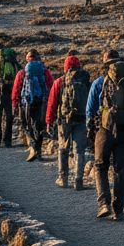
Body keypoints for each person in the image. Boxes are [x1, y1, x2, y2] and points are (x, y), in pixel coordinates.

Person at [86, 50, 124, 221]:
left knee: (100, 166)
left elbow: (90, 110)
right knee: (120, 169)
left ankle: (103, 204)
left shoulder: (99, 83)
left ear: (106, 64)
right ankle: (118, 209)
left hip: (104, 130)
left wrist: (90, 130)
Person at [46, 55, 91, 189]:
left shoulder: (60, 81)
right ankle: (78, 179)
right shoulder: (86, 81)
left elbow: (52, 103)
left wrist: (49, 120)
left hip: (64, 120)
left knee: (63, 148)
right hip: (81, 119)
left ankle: (63, 178)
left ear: (65, 67)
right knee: (79, 150)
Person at [14, 50, 52, 160]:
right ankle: (38, 149)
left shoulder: (22, 72)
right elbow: (50, 84)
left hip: (26, 103)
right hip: (41, 102)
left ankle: (33, 147)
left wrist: (15, 102)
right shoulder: (44, 71)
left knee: (26, 125)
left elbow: (17, 88)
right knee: (39, 126)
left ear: (27, 59)